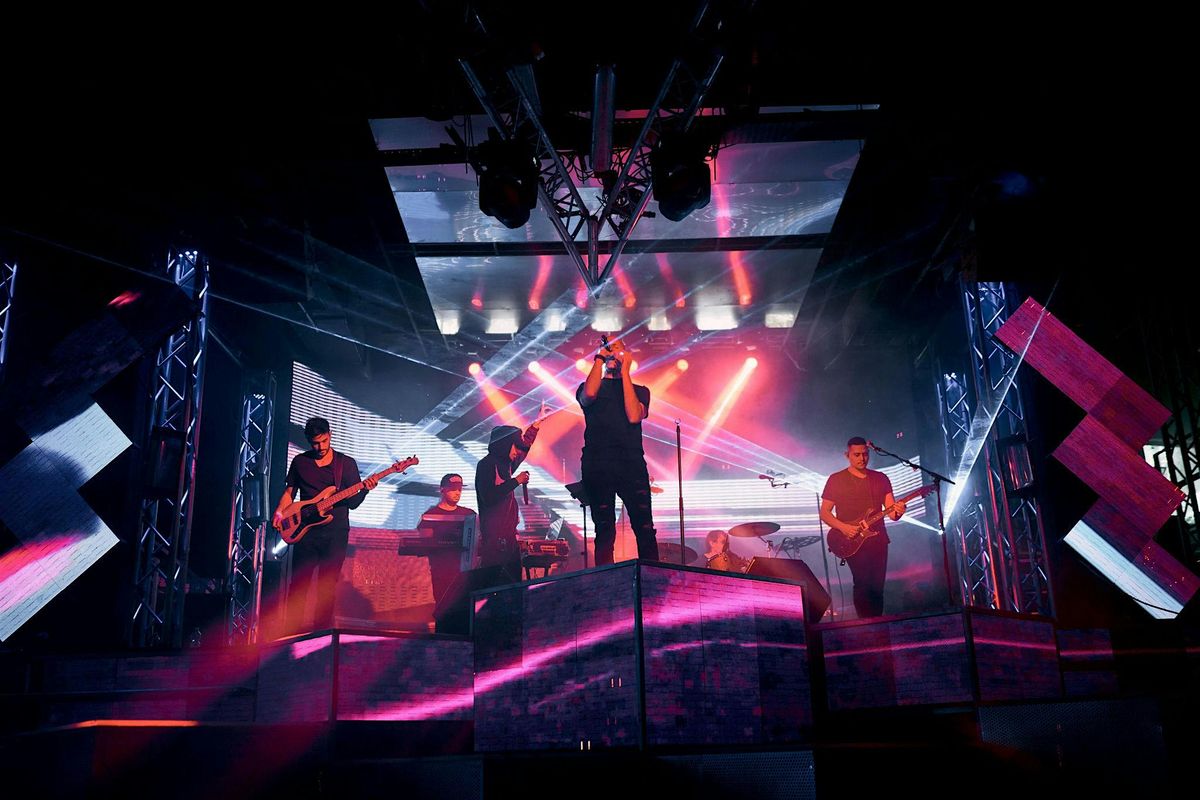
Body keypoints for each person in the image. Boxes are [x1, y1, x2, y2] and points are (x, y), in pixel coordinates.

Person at [273, 416, 377, 633]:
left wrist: (365, 490)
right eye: (315, 443)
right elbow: (289, 492)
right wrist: (280, 512)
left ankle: (320, 636)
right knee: (299, 584)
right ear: (308, 440)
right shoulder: (300, 462)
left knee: (327, 587)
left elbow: (353, 504)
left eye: (324, 441)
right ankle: (291, 634)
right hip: (305, 532)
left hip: (335, 534)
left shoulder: (345, 464)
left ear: (330, 435)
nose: (320, 447)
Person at [576, 337, 657, 564]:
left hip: (630, 464)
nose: (611, 352)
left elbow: (634, 415)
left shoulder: (640, 391)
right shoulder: (589, 386)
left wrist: (625, 372)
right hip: (597, 465)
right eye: (608, 348)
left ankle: (652, 577)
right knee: (604, 530)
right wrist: (600, 358)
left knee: (644, 527)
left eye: (616, 348)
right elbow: (589, 396)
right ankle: (606, 580)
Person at [819, 436, 906, 618]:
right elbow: (825, 513)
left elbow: (892, 514)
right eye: (856, 455)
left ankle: (877, 624)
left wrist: (899, 511)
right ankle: (865, 625)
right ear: (847, 455)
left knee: (877, 586)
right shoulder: (836, 479)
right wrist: (844, 528)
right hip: (851, 539)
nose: (862, 458)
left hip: (878, 539)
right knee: (862, 582)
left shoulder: (881, 478)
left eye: (865, 454)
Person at [475, 412, 543, 581]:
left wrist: (535, 426)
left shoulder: (506, 465)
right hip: (493, 540)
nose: (518, 452)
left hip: (509, 538)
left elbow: (524, 449)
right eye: (515, 447)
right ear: (505, 445)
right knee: (495, 583)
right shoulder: (486, 465)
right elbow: (488, 497)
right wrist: (516, 481)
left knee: (514, 583)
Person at [418, 473, 477, 605]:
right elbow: (426, 544)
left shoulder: (469, 514)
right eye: (453, 489)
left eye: (459, 489)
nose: (457, 493)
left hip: (465, 572)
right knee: (443, 606)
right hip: (441, 572)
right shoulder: (430, 515)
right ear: (442, 489)